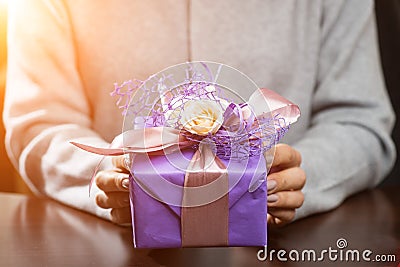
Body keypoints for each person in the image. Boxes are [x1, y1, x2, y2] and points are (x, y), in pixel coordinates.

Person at [4, 0, 395, 226]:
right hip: (110, 246)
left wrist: (299, 178)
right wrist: (105, 179)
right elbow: (39, 121)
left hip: (286, 246)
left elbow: (359, 118)